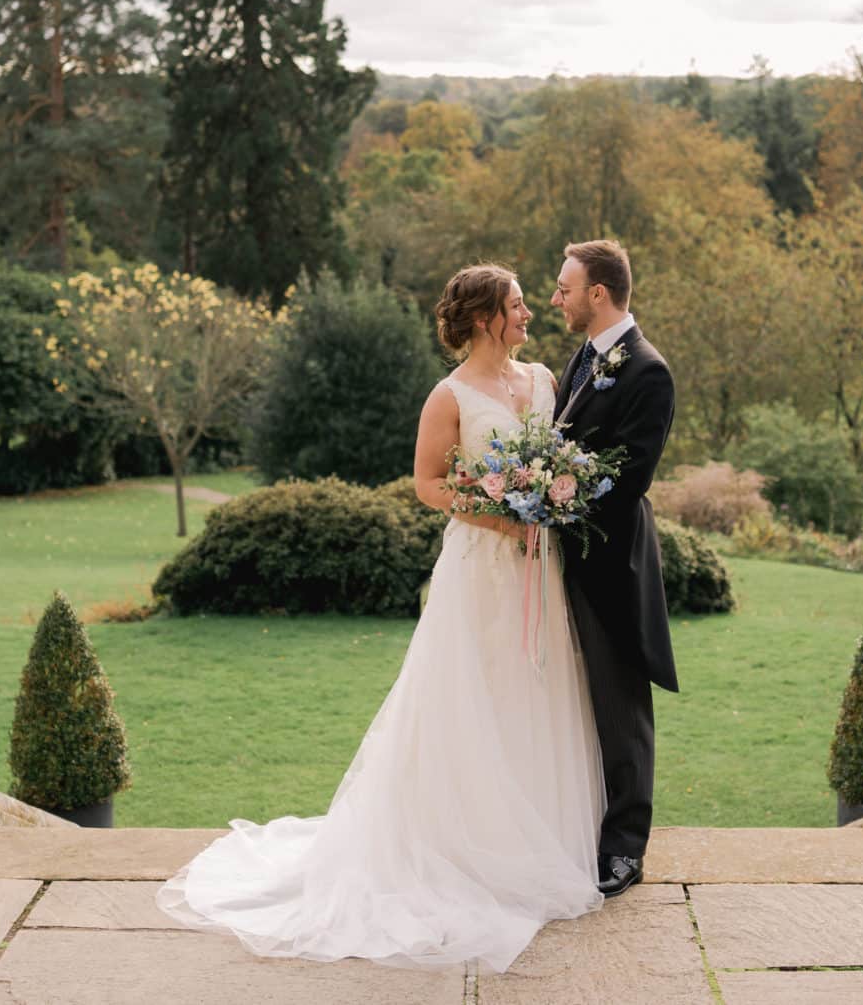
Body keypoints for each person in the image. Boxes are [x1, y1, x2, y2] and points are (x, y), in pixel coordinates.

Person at [155, 263, 604, 973]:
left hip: (538, 571)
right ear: (488, 317)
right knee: (470, 701)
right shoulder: (448, 395)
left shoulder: (546, 380)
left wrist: (548, 504)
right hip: (479, 571)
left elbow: (557, 461)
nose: (528, 314)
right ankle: (462, 849)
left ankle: (533, 842)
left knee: (534, 694)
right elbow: (429, 484)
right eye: (517, 305)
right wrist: (499, 516)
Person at [548, 239, 677, 898]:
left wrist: (553, 489)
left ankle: (626, 847)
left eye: (565, 286)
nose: (555, 297)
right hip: (563, 556)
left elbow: (628, 474)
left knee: (621, 706)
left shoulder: (647, 372)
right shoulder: (582, 359)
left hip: (611, 564)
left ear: (598, 293)